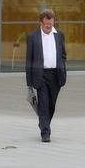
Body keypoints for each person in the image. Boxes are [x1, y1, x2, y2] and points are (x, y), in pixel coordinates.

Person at [24, 9, 68, 143]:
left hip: (56, 74)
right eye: (47, 24)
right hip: (41, 74)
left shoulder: (59, 35)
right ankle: (45, 132)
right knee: (43, 103)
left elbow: (63, 54)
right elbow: (29, 60)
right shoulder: (33, 37)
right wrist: (29, 82)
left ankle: (44, 122)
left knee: (51, 104)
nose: (49, 27)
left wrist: (63, 67)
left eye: (51, 24)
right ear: (41, 23)